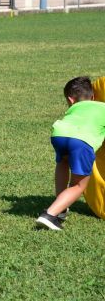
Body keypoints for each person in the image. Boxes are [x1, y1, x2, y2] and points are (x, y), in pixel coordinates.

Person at [36, 76, 105, 230]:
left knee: (62, 163)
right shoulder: (102, 108)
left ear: (71, 100)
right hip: (81, 141)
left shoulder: (73, 109)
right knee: (78, 185)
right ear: (93, 97)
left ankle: (61, 207)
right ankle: (50, 215)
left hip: (59, 134)